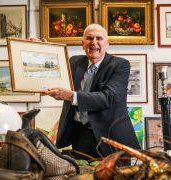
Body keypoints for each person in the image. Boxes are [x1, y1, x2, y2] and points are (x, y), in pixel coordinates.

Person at [44, 23, 140, 159]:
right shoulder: (74, 62)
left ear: (107, 43)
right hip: (80, 135)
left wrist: (71, 96)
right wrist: (41, 49)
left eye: (99, 38)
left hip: (111, 139)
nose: (94, 43)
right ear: (82, 43)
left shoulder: (120, 65)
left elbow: (108, 97)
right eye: (89, 38)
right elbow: (53, 74)